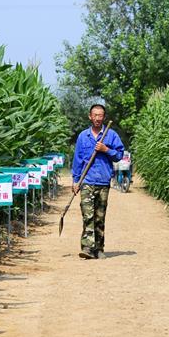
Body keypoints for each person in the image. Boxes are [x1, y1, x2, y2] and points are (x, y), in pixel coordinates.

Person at [71, 104, 124, 259]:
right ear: (90, 116)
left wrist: (106, 149)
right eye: (95, 115)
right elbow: (78, 160)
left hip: (103, 180)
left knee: (99, 217)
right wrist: (76, 181)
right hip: (86, 181)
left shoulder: (111, 135)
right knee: (88, 215)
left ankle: (99, 248)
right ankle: (87, 248)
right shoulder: (83, 136)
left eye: (100, 115)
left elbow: (119, 155)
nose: (97, 118)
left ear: (104, 117)